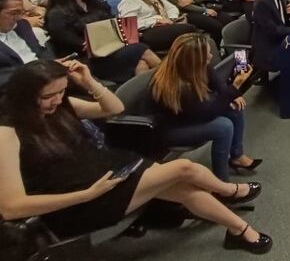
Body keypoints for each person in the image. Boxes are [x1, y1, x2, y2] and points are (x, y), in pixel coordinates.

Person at [0, 60, 272, 253]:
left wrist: (88, 81)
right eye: (49, 95)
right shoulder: (7, 132)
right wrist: (87, 195)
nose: (57, 100)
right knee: (183, 169)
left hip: (101, 173)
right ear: (25, 95)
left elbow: (114, 108)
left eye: (62, 91)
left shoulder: (61, 106)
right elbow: (12, 207)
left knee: (185, 188)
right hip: (75, 203)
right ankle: (229, 191)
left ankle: (238, 229)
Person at [150, 33, 259, 181]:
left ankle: (237, 156)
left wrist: (232, 94)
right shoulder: (179, 87)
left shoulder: (193, 66)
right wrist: (235, 86)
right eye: (207, 55)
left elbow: (218, 84)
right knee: (223, 126)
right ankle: (221, 182)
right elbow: (208, 112)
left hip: (189, 115)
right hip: (171, 128)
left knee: (235, 109)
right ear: (194, 59)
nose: (211, 56)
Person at [45, 0, 159, 83]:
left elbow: (112, 23)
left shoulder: (93, 3)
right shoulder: (56, 15)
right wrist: (96, 41)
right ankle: (167, 80)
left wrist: (126, 32)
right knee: (140, 48)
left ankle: (151, 90)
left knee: (142, 62)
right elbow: (74, 43)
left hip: (110, 49)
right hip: (86, 59)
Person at [118, 0, 197, 52]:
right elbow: (128, 26)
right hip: (145, 32)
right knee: (189, 28)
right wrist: (156, 20)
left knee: (194, 20)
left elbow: (171, 8)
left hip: (164, 25)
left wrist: (171, 18)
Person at [0, 0, 51, 86]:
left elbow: (40, 50)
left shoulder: (22, 25)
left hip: (47, 76)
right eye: (14, 13)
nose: (19, 18)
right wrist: (37, 72)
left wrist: (55, 63)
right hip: (18, 86)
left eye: (21, 12)